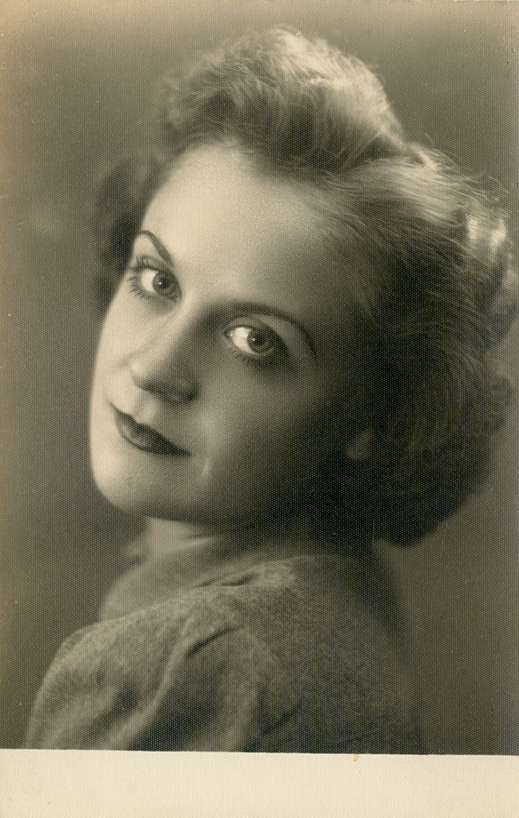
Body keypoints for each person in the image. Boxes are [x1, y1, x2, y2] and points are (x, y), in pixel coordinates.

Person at [24, 28, 516, 751]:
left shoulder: (191, 664)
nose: (155, 367)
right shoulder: (336, 580)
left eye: (255, 341)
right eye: (157, 280)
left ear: (374, 414)